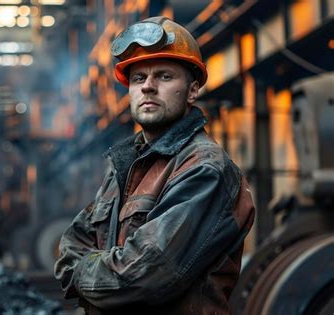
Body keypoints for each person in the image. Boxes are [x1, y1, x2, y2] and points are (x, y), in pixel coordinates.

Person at [54, 16, 255, 314]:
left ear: (192, 91)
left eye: (164, 76)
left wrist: (82, 273)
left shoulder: (204, 168)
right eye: (138, 78)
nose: (148, 86)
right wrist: (98, 272)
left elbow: (145, 277)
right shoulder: (127, 166)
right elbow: (71, 244)